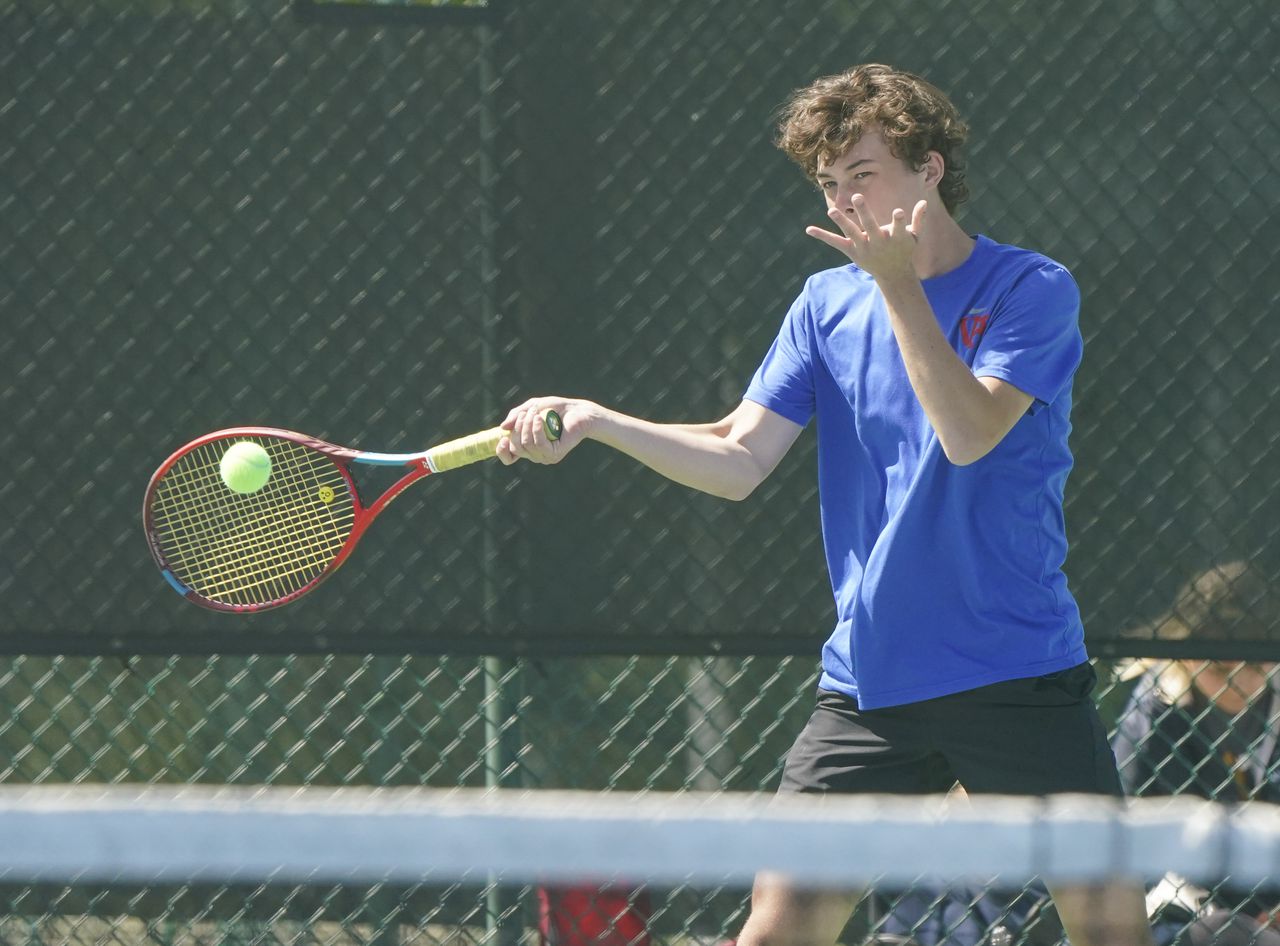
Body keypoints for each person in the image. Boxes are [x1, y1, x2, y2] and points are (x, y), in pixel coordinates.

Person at [498, 63, 1154, 946]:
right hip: (869, 681)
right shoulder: (824, 305)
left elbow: (969, 434)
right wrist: (599, 421)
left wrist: (897, 285)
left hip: (1015, 669)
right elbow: (738, 457)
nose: (846, 200)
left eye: (864, 174)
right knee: (777, 928)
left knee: (1107, 920)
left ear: (929, 169)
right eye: (831, 184)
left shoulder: (1031, 289)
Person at [1112, 560, 1280, 946]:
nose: (1239, 682)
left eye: (1255, 664)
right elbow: (1129, 828)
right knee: (1216, 932)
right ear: (1187, 655)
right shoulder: (1157, 707)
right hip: (1189, 906)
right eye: (1220, 671)